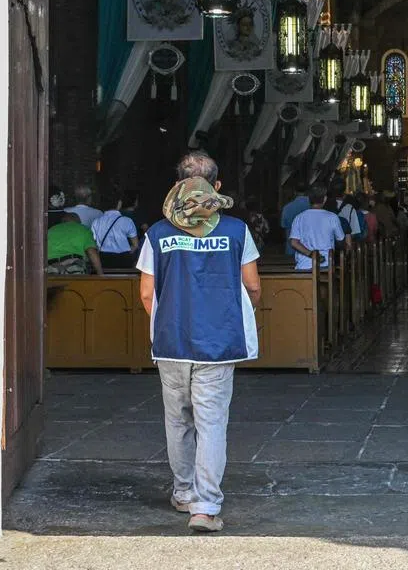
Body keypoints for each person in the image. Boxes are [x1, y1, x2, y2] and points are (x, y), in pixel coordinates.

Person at [136, 151, 261, 533]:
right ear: (216, 188)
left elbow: (146, 293)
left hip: (172, 342)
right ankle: (204, 507)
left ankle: (184, 491)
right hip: (218, 343)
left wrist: (169, 323)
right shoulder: (236, 231)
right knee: (211, 424)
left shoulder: (157, 233)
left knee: (178, 422)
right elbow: (252, 285)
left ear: (177, 187)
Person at [289, 183, 350, 270]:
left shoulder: (299, 217)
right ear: (325, 199)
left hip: (304, 265)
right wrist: (345, 246)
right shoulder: (332, 217)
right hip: (326, 265)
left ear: (309, 199)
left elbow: (294, 243)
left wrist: (311, 254)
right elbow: (341, 240)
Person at [91, 191, 140, 270]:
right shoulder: (127, 221)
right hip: (124, 259)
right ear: (119, 204)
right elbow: (136, 245)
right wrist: (126, 252)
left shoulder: (96, 222)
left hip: (104, 258)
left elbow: (94, 245)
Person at [280, 181, 310, 255]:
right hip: (309, 249)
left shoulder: (287, 208)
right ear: (308, 191)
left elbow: (283, 226)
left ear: (295, 191)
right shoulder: (313, 207)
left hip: (292, 249)